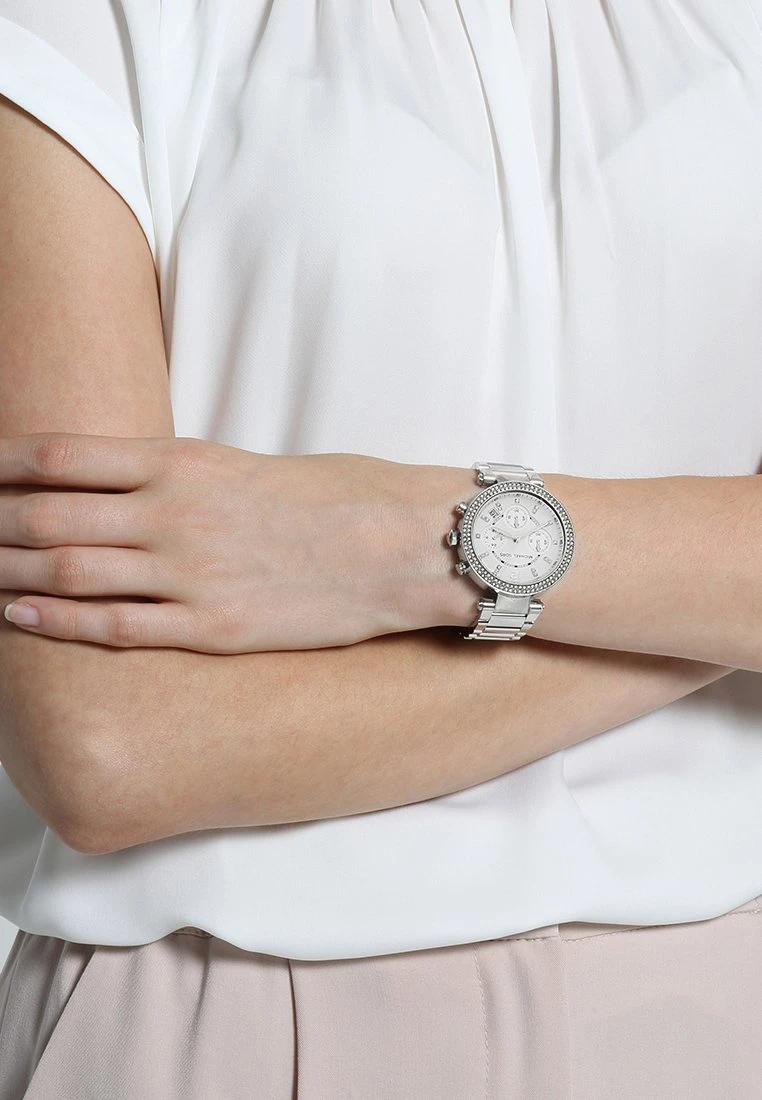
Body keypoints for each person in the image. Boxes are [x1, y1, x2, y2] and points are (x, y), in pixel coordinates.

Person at [1, 1, 762, 1096]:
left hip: (724, 1000)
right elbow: (111, 751)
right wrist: (718, 604)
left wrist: (389, 539)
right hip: (227, 1008)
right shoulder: (78, 24)